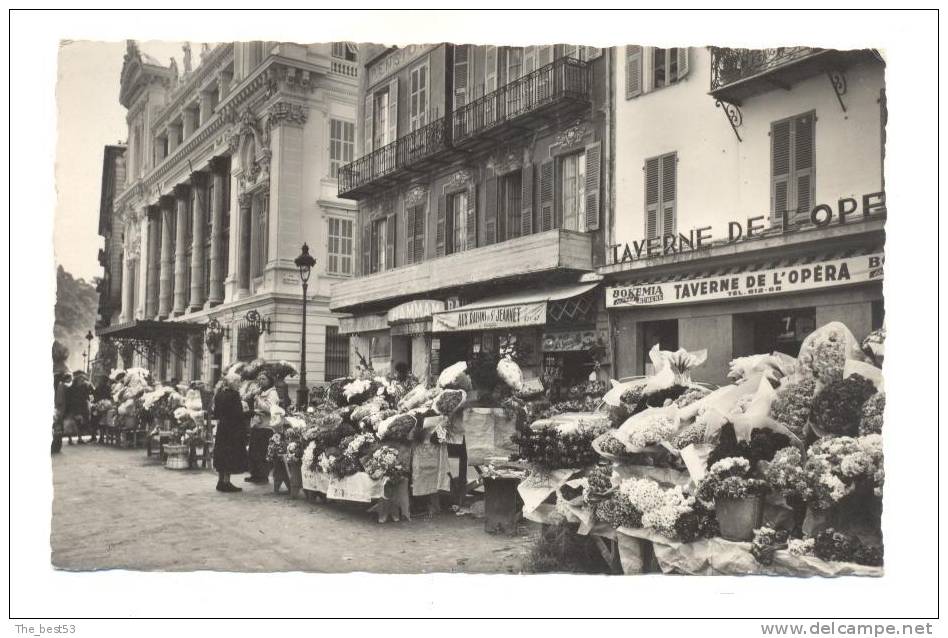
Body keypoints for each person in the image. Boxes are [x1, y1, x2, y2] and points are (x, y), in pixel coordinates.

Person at [212, 372, 249, 492]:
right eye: (238, 382)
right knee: (230, 454)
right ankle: (226, 482)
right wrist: (251, 413)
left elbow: (216, 413)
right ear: (233, 382)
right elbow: (238, 415)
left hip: (222, 428)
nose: (239, 385)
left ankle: (220, 481)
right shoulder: (234, 395)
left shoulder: (219, 394)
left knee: (222, 453)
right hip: (232, 429)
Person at [246, 371, 283, 483]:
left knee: (262, 452)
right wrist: (252, 394)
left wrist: (257, 399)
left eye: (263, 379)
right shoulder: (259, 391)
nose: (261, 381)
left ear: (269, 381)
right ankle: (254, 474)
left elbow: (269, 408)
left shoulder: (272, 393)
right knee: (253, 451)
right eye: (260, 379)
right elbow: (246, 398)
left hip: (265, 426)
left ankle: (262, 476)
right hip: (256, 424)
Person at [66, 371, 94, 444]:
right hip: (74, 406)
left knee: (80, 423)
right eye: (81, 379)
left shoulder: (84, 386)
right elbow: (69, 397)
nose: (82, 380)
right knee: (71, 423)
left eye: (83, 379)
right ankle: (70, 439)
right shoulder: (71, 387)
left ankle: (79, 438)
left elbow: (90, 393)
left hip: (81, 406)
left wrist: (90, 385)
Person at [52, 371, 70, 454]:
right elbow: (59, 400)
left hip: (58, 409)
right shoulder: (61, 386)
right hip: (60, 410)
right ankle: (56, 446)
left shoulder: (59, 385)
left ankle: (56, 446)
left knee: (57, 428)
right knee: (58, 428)